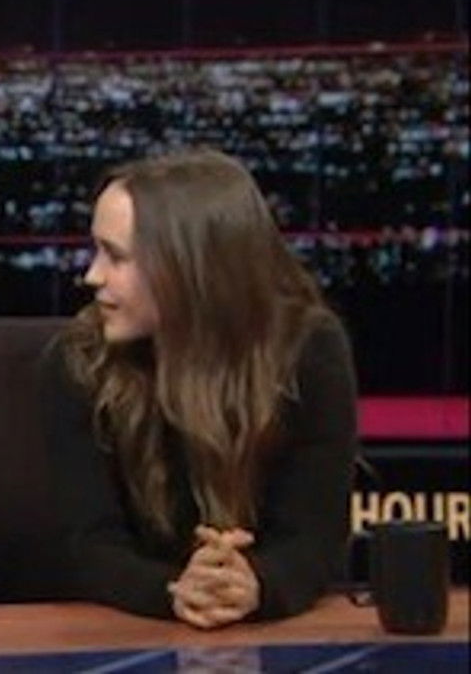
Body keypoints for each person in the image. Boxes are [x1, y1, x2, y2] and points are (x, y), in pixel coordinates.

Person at [42, 147, 358, 628]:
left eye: (117, 256)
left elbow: (315, 538)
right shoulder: (79, 362)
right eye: (96, 251)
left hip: (273, 636)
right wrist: (174, 591)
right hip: (131, 632)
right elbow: (89, 546)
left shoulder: (308, 349)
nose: (92, 275)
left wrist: (257, 585)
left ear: (188, 268)